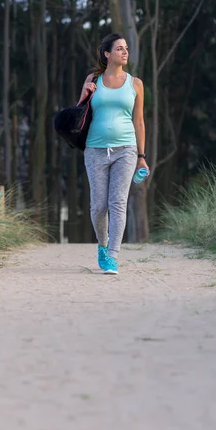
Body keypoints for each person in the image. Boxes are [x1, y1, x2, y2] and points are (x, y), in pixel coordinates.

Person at [78, 33, 149, 275]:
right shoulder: (93, 78)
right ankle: (102, 244)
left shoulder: (135, 83)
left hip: (126, 150)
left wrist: (142, 156)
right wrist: (85, 94)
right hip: (95, 150)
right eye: (119, 49)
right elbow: (79, 114)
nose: (125, 52)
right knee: (98, 206)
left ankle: (112, 256)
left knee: (117, 203)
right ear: (107, 54)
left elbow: (139, 122)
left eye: (126, 48)